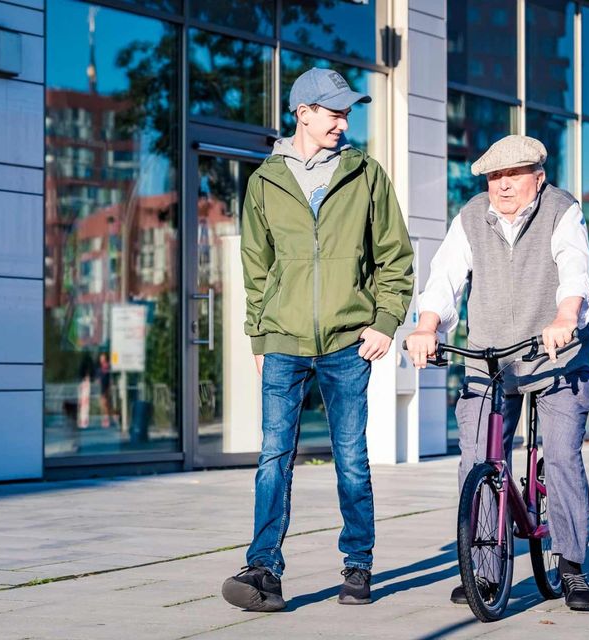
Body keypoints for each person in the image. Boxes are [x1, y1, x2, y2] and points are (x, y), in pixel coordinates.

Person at [221, 67, 415, 612]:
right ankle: (263, 569)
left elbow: (395, 258)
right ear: (301, 112)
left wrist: (385, 321)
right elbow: (256, 271)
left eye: (346, 112)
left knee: (351, 455)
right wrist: (259, 338)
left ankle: (358, 565)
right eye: (333, 111)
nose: (342, 121)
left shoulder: (365, 175)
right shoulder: (264, 183)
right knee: (273, 455)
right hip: (282, 340)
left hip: (347, 341)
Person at [405, 135, 589, 611]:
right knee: (477, 458)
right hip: (491, 354)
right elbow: (445, 278)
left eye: (513, 175)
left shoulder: (561, 209)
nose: (503, 186)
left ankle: (571, 566)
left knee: (559, 454)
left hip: (557, 354)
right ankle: (484, 569)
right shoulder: (472, 216)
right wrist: (426, 327)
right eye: (494, 176)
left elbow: (574, 269)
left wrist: (564, 318)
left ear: (538, 177)